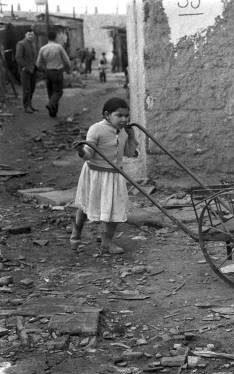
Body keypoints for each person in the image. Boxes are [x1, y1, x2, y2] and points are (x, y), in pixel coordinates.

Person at [71, 98, 138, 254]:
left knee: (115, 209)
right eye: (119, 115)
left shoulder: (124, 131)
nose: (124, 119)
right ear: (107, 115)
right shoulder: (96, 129)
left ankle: (106, 242)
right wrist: (81, 150)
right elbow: (88, 154)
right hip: (95, 173)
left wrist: (132, 137)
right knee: (85, 207)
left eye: (126, 116)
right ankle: (76, 234)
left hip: (115, 174)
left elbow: (129, 153)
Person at [35, 31, 71, 118]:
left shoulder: (43, 48)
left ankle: (53, 113)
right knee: (58, 91)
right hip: (57, 71)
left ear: (48, 38)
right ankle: (51, 104)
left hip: (48, 71)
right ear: (55, 37)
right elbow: (67, 61)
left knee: (51, 92)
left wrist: (44, 70)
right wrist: (68, 69)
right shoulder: (59, 47)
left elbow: (38, 64)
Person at [15, 29, 38, 114]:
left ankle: (30, 105)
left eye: (32, 35)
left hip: (33, 69)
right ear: (25, 35)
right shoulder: (21, 44)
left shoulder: (33, 44)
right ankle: (26, 107)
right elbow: (18, 58)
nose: (31, 36)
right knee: (26, 89)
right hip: (25, 70)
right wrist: (26, 67)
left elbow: (34, 57)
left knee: (32, 88)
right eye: (29, 34)